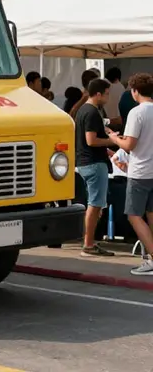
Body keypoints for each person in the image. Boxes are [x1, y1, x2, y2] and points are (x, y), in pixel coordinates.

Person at [107, 72, 153, 275]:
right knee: (151, 214)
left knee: (134, 215)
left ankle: (152, 258)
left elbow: (129, 144)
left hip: (140, 171)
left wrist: (114, 138)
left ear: (135, 91)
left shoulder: (137, 113)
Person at [74, 77, 117, 257]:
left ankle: (89, 241)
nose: (108, 97)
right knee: (95, 204)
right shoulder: (92, 112)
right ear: (98, 94)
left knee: (94, 204)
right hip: (93, 163)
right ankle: (89, 244)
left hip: (85, 161)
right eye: (106, 94)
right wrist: (113, 140)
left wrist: (108, 151)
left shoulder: (84, 110)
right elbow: (91, 140)